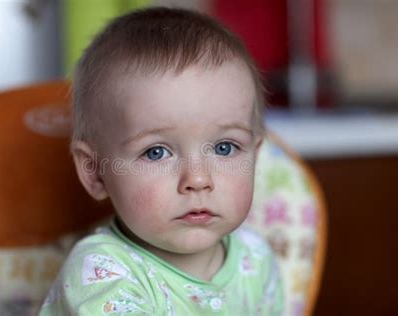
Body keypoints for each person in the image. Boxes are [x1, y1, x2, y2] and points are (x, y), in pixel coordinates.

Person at [40, 7, 283, 315]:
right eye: (156, 152)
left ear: (254, 155)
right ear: (95, 172)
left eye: (224, 147)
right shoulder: (102, 276)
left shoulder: (257, 260)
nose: (197, 179)